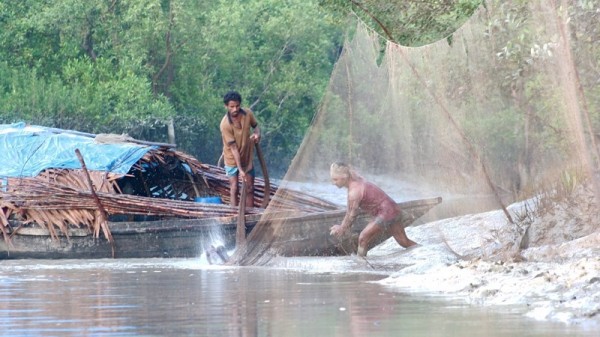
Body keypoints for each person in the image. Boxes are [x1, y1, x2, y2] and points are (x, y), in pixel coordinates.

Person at [329, 162, 417, 256]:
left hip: (385, 212)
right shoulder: (356, 181)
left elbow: (351, 215)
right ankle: (426, 251)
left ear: (344, 177)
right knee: (404, 242)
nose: (333, 183)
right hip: (392, 209)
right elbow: (350, 212)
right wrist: (342, 228)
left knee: (363, 238)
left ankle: (360, 265)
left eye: (335, 179)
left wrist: (341, 229)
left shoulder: (354, 191)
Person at [219, 90, 261, 208]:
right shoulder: (225, 124)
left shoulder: (248, 114)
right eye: (231, 107)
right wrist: (240, 169)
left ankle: (250, 214)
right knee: (235, 188)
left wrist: (257, 134)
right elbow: (233, 149)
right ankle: (234, 214)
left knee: (250, 188)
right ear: (226, 106)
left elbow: (256, 126)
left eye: (237, 106)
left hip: (247, 158)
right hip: (232, 159)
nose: (235, 109)